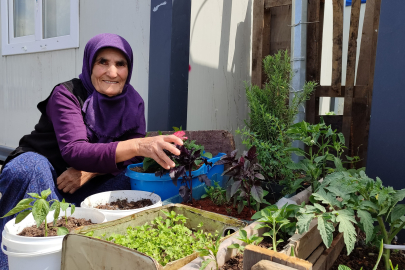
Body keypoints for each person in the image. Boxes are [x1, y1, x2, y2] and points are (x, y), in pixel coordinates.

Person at [0, 33, 182, 269]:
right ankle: (16, 260)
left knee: (132, 179)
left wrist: (91, 172)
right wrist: (139, 144)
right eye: (102, 62)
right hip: (42, 175)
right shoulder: (66, 94)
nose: (112, 72)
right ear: (89, 64)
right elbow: (75, 151)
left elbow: (134, 157)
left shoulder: (133, 100)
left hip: (83, 185)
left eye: (120, 64)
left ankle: (102, 253)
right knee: (32, 169)